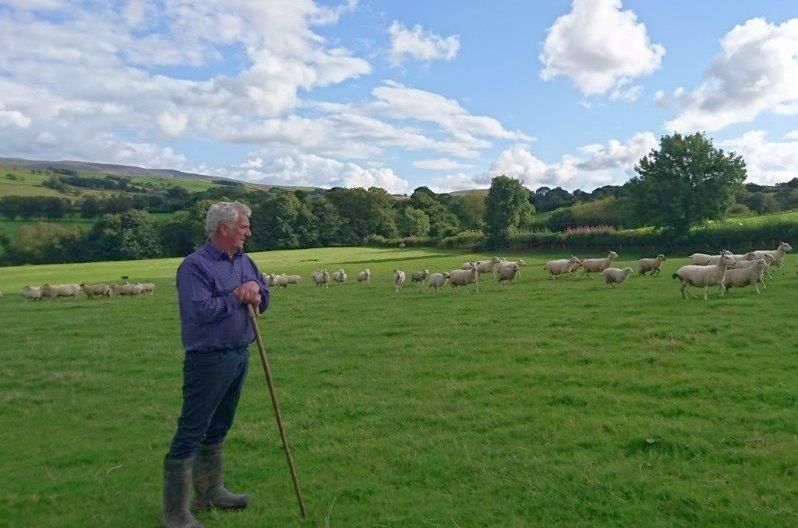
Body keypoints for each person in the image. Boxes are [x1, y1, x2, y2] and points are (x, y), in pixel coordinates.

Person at [162, 201, 269, 528]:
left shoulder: (245, 261)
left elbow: (263, 297)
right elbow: (200, 311)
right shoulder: (195, 266)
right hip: (208, 359)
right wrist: (237, 295)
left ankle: (210, 492)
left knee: (220, 426)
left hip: (239, 353)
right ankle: (175, 514)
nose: (248, 232)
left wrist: (256, 292)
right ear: (223, 228)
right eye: (243, 227)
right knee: (192, 430)